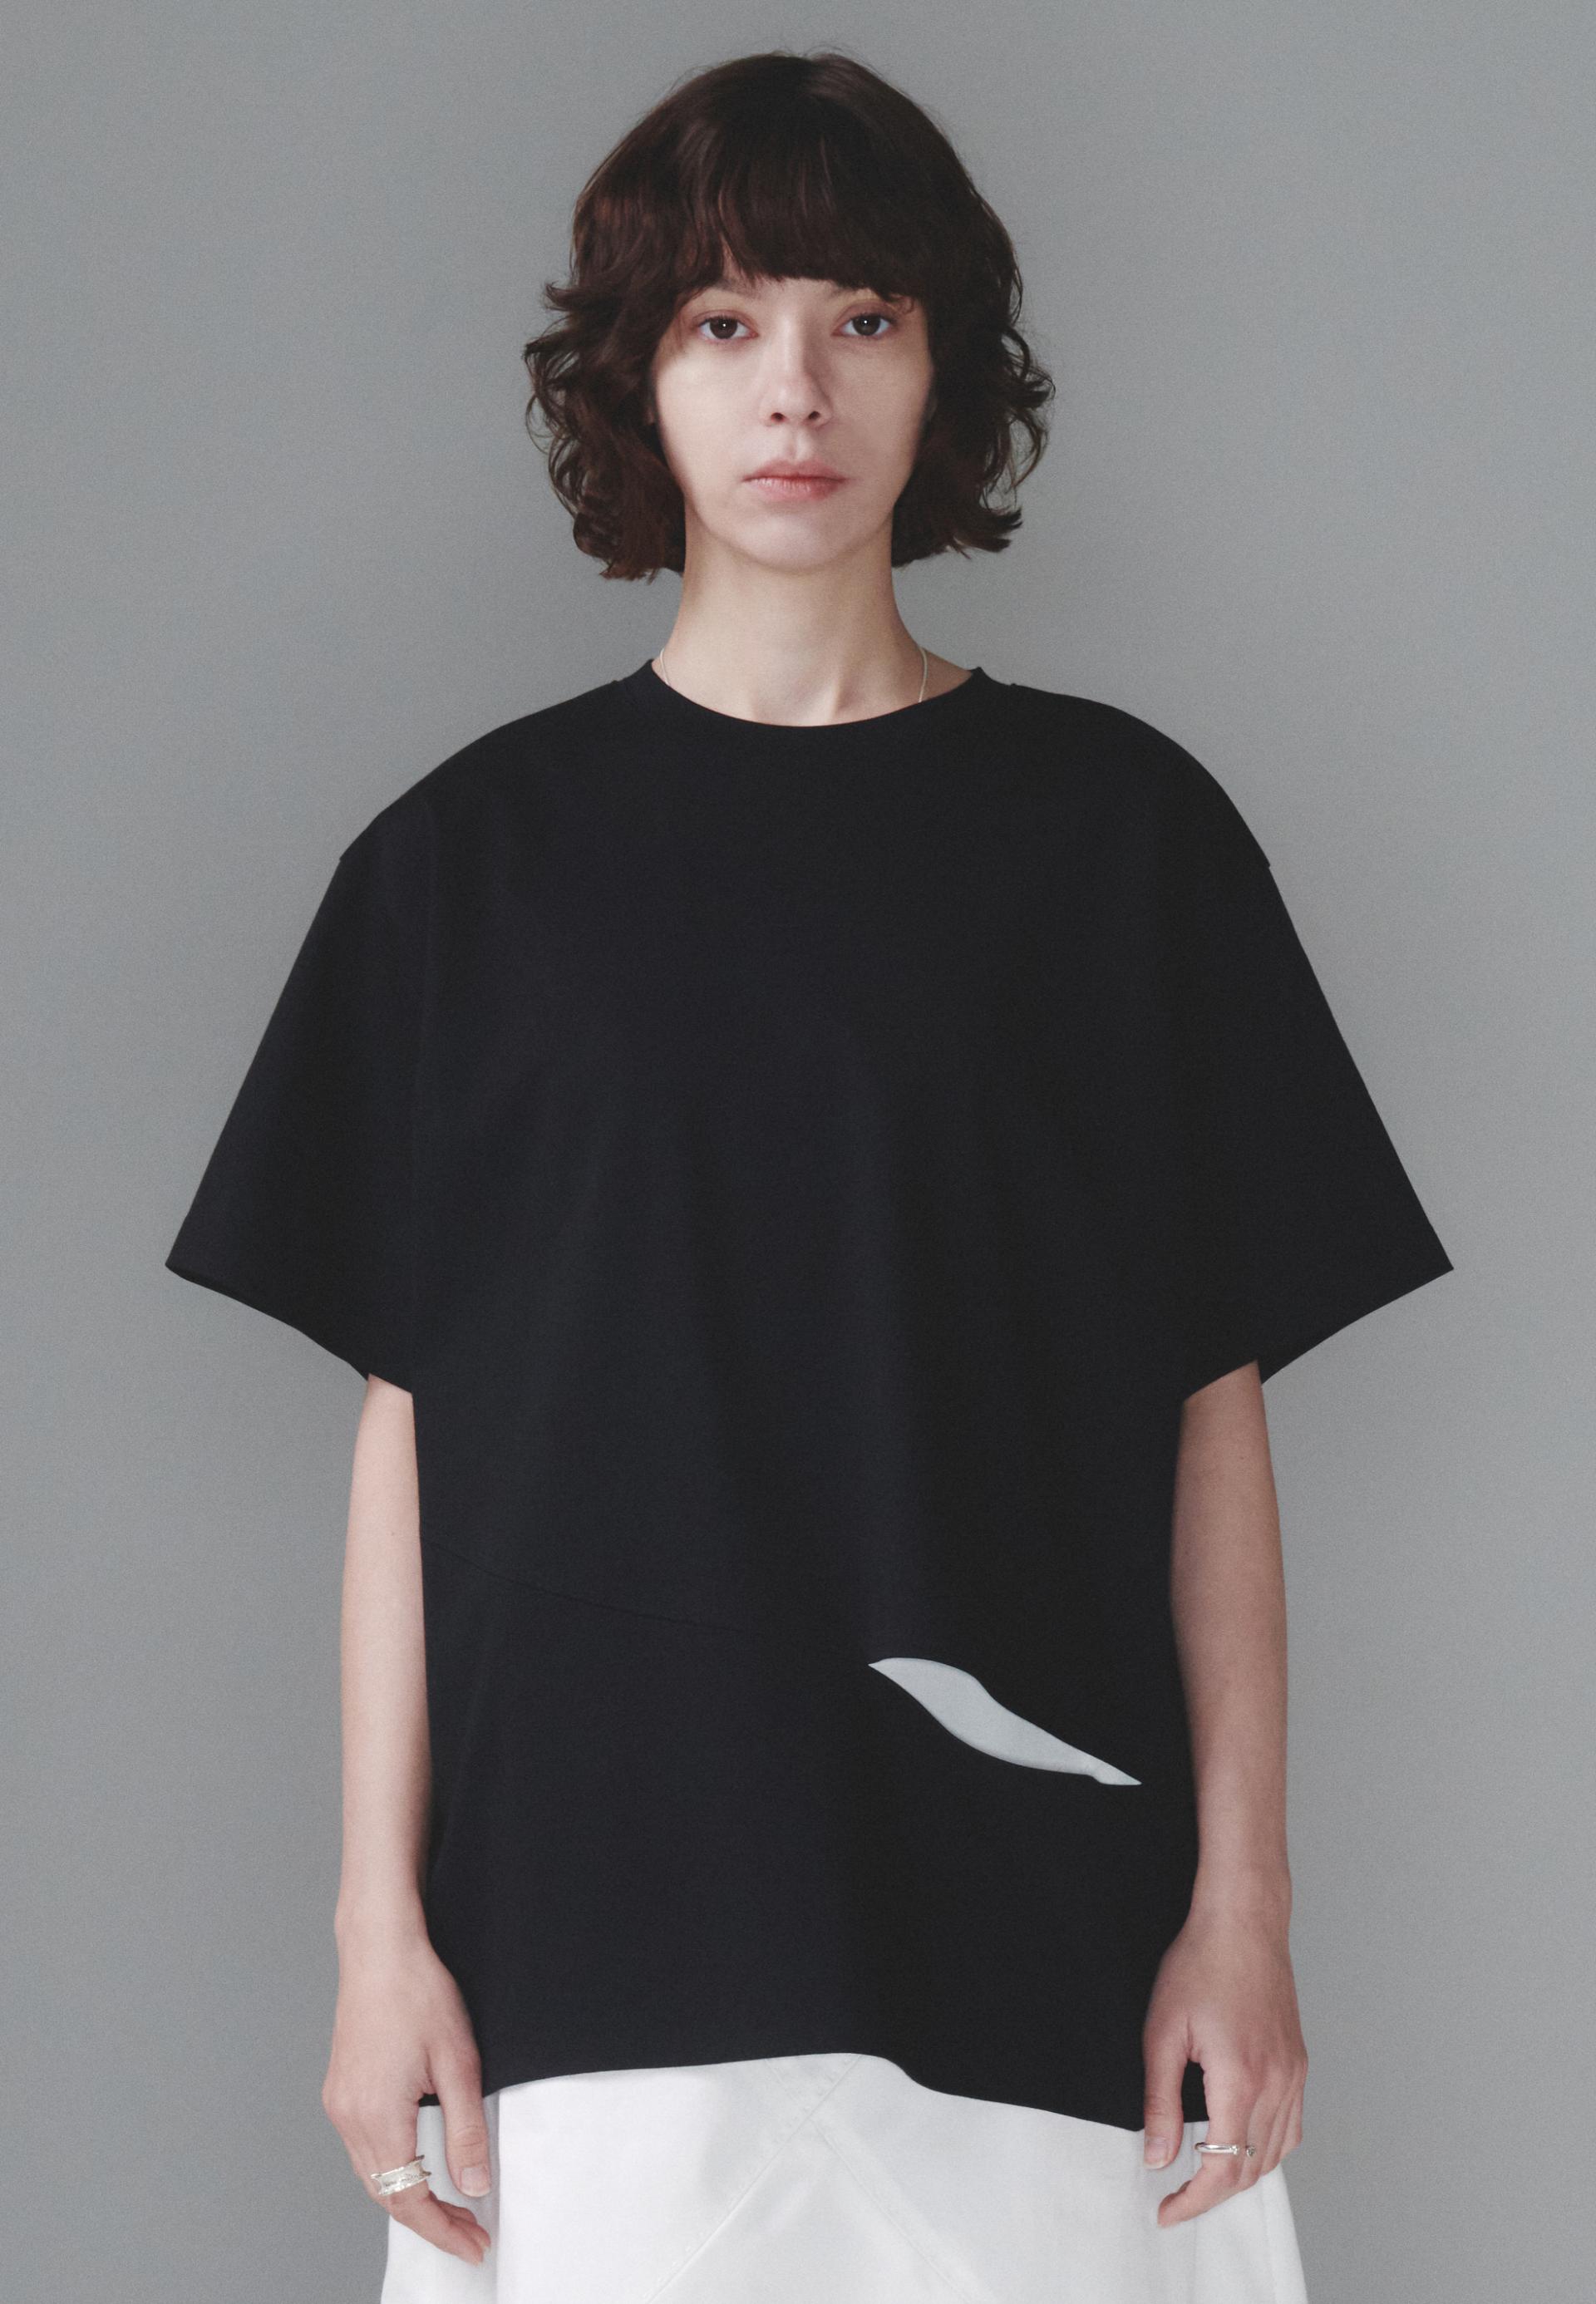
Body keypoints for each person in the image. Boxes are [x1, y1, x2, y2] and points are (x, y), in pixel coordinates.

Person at [163, 48, 1453, 2304]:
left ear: (945, 373)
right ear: (636, 380)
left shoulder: (1122, 846)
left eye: (864, 316)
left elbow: (1210, 1409)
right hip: (591, 1964)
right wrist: (379, 1938)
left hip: (1046, 1950)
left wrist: (1242, 1909)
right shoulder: (466, 876)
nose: (796, 389)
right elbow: (410, 1434)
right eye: (724, 319)